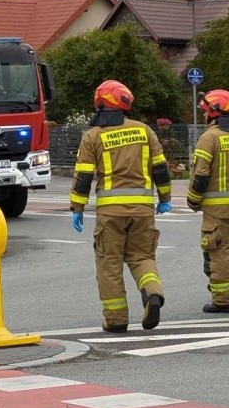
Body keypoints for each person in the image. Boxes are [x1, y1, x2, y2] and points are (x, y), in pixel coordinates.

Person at [68, 80, 174, 332]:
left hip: (110, 212)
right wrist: (165, 198)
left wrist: (77, 208)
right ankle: (152, 293)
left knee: (109, 263)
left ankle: (116, 320)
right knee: (142, 257)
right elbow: (160, 169)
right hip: (143, 210)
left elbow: (83, 177)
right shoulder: (144, 131)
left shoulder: (93, 136)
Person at [188, 89, 229, 314]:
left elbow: (200, 174)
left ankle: (224, 299)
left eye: (205, 110)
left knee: (217, 252)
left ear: (213, 112)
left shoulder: (209, 138)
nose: (204, 115)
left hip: (217, 209)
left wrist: (193, 201)